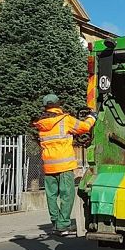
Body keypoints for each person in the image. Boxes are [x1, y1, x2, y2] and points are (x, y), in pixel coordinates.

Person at [34, 94, 96, 236]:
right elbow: (84, 127)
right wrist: (92, 116)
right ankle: (63, 225)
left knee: (51, 195)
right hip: (65, 165)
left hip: (49, 166)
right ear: (58, 105)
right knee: (67, 195)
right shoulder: (65, 120)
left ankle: (55, 222)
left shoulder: (41, 124)